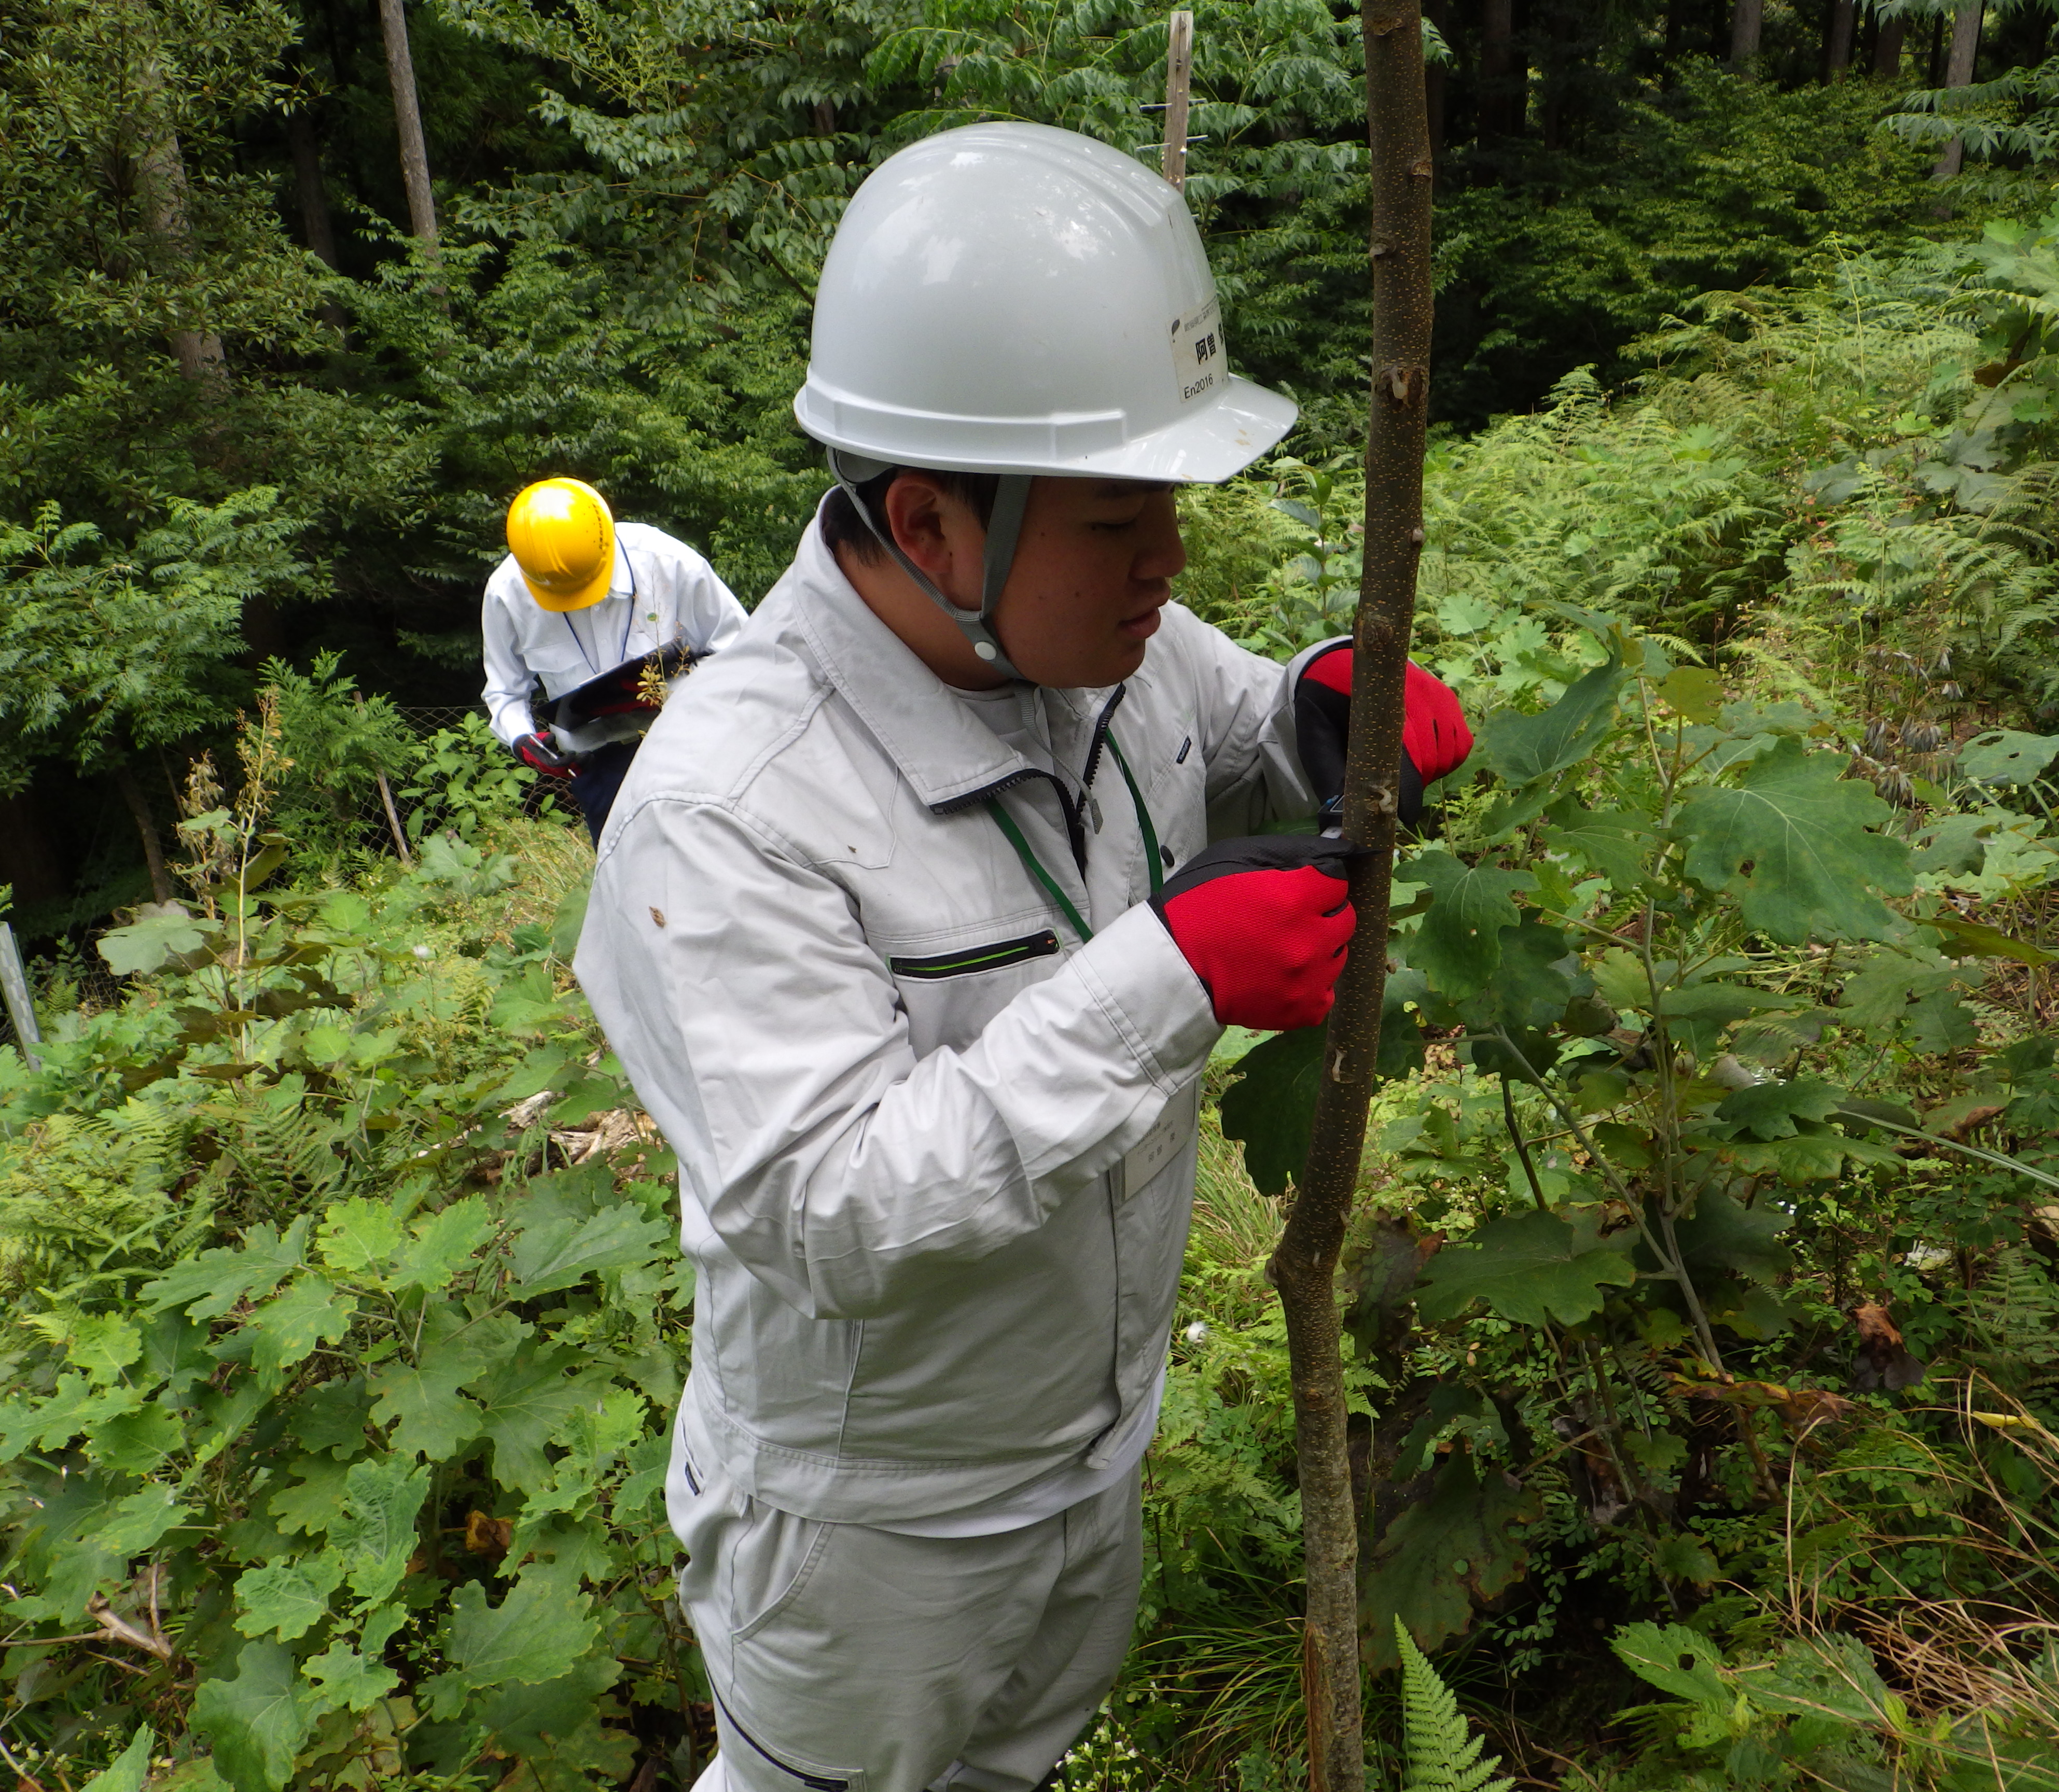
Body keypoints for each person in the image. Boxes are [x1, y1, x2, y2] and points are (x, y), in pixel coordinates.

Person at [574, 123, 1471, 1792]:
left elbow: (1224, 729)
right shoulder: (729, 816)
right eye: (1123, 519)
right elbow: (828, 1204)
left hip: (1082, 1462)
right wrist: (1177, 982)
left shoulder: (1088, 649)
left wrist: (1320, 715)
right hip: (871, 1542)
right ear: (929, 521)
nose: (1171, 564)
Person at [479, 477, 749, 841]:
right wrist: (522, 740)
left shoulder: (667, 562)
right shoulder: (506, 593)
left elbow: (740, 650)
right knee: (633, 891)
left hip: (697, 747)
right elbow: (504, 693)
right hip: (601, 770)